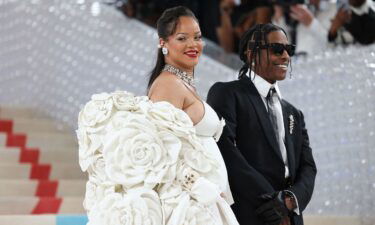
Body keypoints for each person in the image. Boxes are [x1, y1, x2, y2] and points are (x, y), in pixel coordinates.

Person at [207, 23, 317, 225]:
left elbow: (308, 168)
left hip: (290, 217)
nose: (285, 56)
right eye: (277, 49)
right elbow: (225, 152)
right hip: (250, 213)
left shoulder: (295, 113)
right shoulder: (227, 93)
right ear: (251, 54)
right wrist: (274, 202)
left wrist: (290, 201)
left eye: (288, 49)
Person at [147, 6, 239, 225]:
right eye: (182, 38)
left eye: (197, 37)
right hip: (190, 206)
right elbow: (161, 150)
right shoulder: (168, 85)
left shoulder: (182, 84)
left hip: (206, 201)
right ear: (163, 43)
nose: (193, 45)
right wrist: (199, 185)